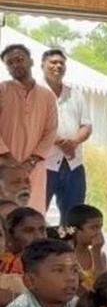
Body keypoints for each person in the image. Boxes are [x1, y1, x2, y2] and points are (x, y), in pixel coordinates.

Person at [0, 44, 58, 213]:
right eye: (10, 63)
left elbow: (50, 131)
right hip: (3, 166)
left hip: (34, 167)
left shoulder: (47, 96)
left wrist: (31, 161)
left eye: (19, 59)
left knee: (31, 213)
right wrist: (7, 158)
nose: (16, 64)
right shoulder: (2, 90)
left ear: (31, 61)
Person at [42, 49, 92, 219]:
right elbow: (32, 127)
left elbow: (86, 125)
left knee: (74, 220)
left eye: (61, 63)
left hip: (73, 165)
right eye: (53, 62)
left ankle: (70, 246)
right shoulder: (35, 94)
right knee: (36, 215)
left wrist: (74, 142)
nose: (58, 66)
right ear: (43, 65)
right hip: (44, 165)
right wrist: (60, 142)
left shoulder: (76, 95)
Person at [51, 204, 106, 292]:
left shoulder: (100, 255)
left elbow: (103, 287)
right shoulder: (64, 255)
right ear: (76, 231)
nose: (99, 233)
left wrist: (96, 253)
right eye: (93, 228)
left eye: (100, 227)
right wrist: (96, 252)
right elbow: (90, 289)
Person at [1, 208, 48, 276]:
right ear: (10, 235)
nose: (39, 237)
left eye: (42, 230)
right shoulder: (6, 263)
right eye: (29, 231)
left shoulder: (55, 259)